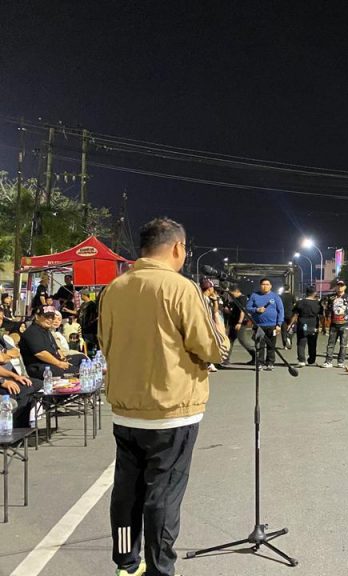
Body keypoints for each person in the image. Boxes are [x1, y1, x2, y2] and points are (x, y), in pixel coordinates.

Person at [99, 217, 229, 576]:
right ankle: (160, 568)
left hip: (125, 411)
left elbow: (104, 344)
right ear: (176, 248)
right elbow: (215, 349)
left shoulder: (115, 288)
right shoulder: (181, 288)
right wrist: (216, 317)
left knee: (127, 493)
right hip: (171, 412)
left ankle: (127, 563)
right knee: (163, 495)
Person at [19, 307, 82, 378]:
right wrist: (59, 363)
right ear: (37, 317)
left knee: (80, 358)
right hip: (39, 366)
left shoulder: (46, 330)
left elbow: (56, 348)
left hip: (53, 361)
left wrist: (63, 359)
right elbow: (40, 353)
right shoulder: (32, 332)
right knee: (74, 371)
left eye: (52, 317)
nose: (50, 320)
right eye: (47, 317)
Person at [246, 278, 285, 370]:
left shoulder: (275, 297)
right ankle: (259, 363)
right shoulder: (254, 296)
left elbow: (281, 310)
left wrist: (279, 324)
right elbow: (248, 307)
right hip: (259, 326)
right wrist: (257, 310)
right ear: (260, 286)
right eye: (263, 284)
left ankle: (270, 362)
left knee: (271, 345)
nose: (265, 286)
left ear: (271, 286)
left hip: (272, 325)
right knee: (260, 345)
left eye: (267, 284)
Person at [322, 281, 348, 368]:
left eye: (342, 286)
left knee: (343, 344)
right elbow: (328, 310)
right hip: (334, 324)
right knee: (331, 344)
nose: (340, 287)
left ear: (345, 287)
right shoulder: (331, 298)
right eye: (338, 286)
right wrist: (326, 321)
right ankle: (328, 361)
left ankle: (340, 361)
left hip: (345, 324)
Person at [288, 285, 323, 367]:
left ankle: (301, 360)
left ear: (306, 293)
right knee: (313, 343)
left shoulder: (300, 302)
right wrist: (323, 326)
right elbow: (321, 316)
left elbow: (295, 314)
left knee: (301, 343)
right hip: (314, 324)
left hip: (302, 324)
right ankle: (311, 360)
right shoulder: (318, 303)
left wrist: (290, 324)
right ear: (315, 293)